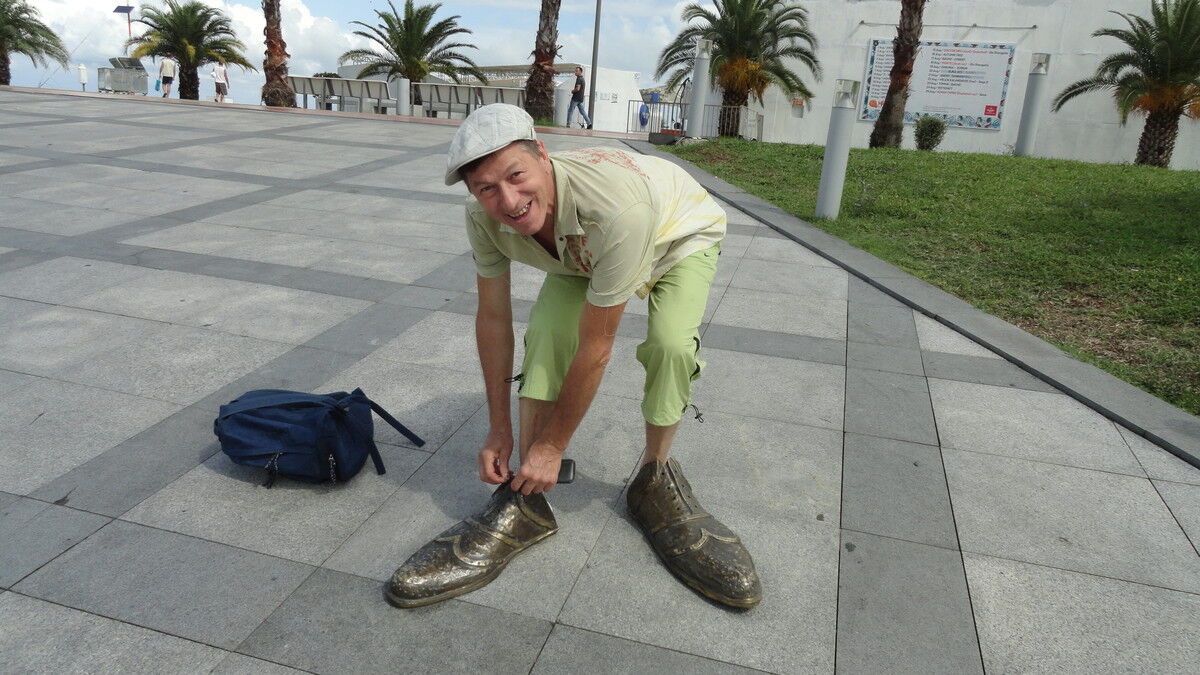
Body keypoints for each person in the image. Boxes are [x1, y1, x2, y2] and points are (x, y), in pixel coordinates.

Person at [386, 103, 761, 610]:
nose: (508, 201)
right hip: (583, 249)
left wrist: (553, 446)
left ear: (543, 155)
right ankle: (526, 496)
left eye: (516, 176)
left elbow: (597, 347)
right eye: (487, 188)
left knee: (670, 345)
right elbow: (493, 318)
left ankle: (655, 476)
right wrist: (499, 431)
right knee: (546, 334)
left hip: (674, 234)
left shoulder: (615, 210)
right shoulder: (483, 218)